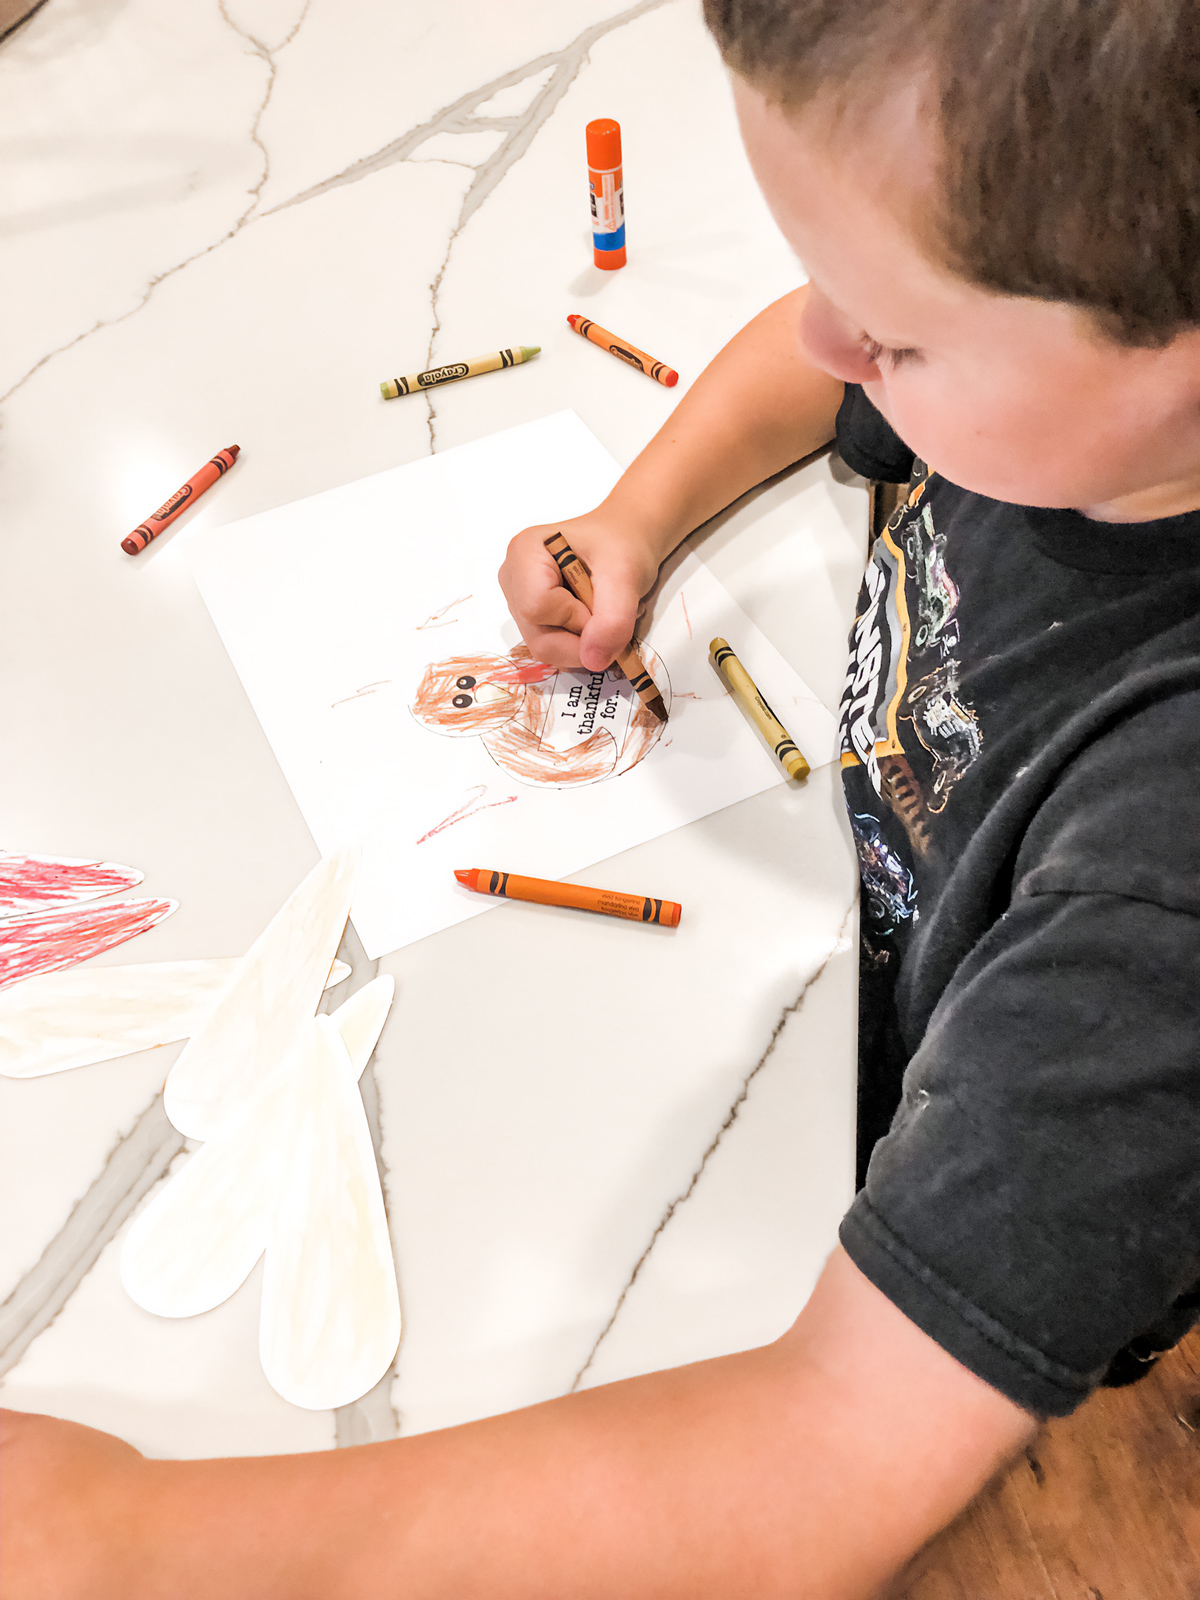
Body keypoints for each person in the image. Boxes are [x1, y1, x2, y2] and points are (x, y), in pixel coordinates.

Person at [5, 2, 1199, 1594]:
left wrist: (122, 1544)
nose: (828, 340)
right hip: (813, 972)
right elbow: (804, 345)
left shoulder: (1162, 893)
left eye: (896, 336)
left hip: (954, 1175)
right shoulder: (1073, 394)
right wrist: (632, 518)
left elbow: (827, 1458)